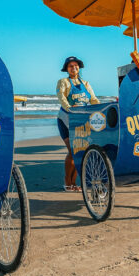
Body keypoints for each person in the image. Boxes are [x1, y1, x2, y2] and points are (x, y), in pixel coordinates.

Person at [56, 56, 99, 192]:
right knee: (72, 151)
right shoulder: (63, 82)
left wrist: (99, 109)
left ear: (79, 67)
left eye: (76, 65)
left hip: (82, 121)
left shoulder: (86, 83)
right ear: (67, 69)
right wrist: (71, 109)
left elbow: (93, 99)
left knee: (80, 152)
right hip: (66, 120)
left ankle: (75, 184)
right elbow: (62, 98)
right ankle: (68, 182)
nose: (73, 68)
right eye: (70, 66)